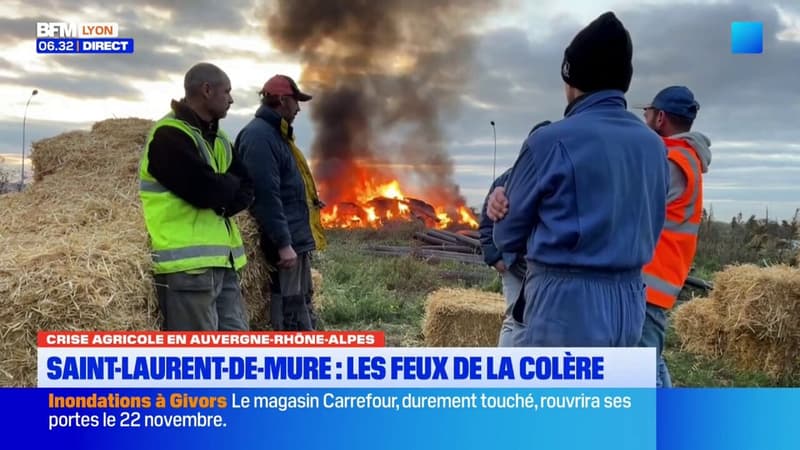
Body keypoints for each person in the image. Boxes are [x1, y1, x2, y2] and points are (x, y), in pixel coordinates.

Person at [489, 11, 669, 347]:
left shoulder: (549, 142)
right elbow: (653, 224)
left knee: (556, 400)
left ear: (572, 79)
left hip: (564, 308)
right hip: (629, 303)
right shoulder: (654, 146)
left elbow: (506, 234)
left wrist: (501, 206)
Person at [139, 62, 253, 331]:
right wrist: (223, 188)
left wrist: (222, 188)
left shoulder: (220, 138)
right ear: (206, 90)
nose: (231, 99)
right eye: (227, 91)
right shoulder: (168, 135)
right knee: (198, 358)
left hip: (223, 263)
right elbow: (204, 191)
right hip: (186, 269)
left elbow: (248, 187)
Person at [236, 74, 327, 331]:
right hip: (286, 244)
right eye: (295, 101)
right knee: (289, 309)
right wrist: (283, 243)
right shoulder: (260, 137)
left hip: (296, 238)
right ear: (282, 100)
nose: (298, 108)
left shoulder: (278, 135)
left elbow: (286, 187)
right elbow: (265, 195)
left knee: (301, 302)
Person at [637, 86, 712, 387]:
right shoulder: (687, 158)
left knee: (641, 372)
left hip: (648, 282)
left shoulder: (670, 161)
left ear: (660, 118)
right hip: (661, 280)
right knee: (651, 364)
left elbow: (634, 210)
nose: (645, 118)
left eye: (648, 113)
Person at [479, 120, 551, 347]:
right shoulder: (505, 180)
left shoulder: (556, 181)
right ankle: (507, 375)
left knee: (539, 322)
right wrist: (495, 258)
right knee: (513, 319)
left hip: (542, 266)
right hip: (513, 264)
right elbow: (486, 225)